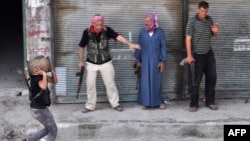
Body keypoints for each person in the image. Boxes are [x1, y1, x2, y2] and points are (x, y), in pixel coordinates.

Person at [78, 14, 140, 113]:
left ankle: (115, 104)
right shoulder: (87, 32)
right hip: (91, 63)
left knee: (110, 84)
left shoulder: (107, 30)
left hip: (106, 62)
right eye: (97, 25)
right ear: (93, 23)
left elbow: (118, 37)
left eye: (101, 24)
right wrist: (80, 61)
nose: (99, 27)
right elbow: (81, 46)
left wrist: (130, 44)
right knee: (90, 85)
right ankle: (90, 106)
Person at [185, 1, 218, 112]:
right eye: (202, 11)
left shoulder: (209, 20)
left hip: (209, 54)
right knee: (196, 81)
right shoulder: (192, 22)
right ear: (198, 9)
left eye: (206, 11)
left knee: (212, 78)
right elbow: (188, 39)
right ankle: (193, 104)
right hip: (197, 56)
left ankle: (210, 102)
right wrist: (189, 55)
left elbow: (212, 34)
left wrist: (215, 32)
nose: (204, 13)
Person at [134, 13, 167, 110]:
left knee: (156, 81)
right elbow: (138, 46)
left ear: (153, 21)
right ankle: (145, 102)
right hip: (144, 60)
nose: (146, 23)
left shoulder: (160, 32)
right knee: (144, 82)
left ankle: (158, 102)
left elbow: (163, 47)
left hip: (156, 61)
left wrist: (162, 61)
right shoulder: (142, 32)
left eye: (148, 21)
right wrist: (138, 59)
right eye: (145, 21)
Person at [23, 56, 58, 141]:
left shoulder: (40, 77)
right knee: (53, 130)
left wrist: (52, 70)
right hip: (40, 110)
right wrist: (43, 74)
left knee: (48, 128)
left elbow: (55, 81)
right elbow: (44, 86)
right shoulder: (37, 78)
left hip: (36, 109)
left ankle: (29, 140)